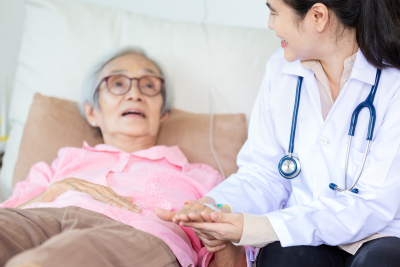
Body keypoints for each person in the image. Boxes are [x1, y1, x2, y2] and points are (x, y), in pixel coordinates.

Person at [157, 0, 400, 266]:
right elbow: (264, 173)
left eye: (274, 11)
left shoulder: (393, 83)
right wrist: (214, 208)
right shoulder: (281, 69)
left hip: (383, 235)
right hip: (306, 234)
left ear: (318, 16)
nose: (270, 24)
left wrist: (259, 227)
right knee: (280, 257)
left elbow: (373, 205)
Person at [0, 48, 245, 267]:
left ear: (163, 113)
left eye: (148, 85)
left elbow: (233, 244)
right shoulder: (58, 164)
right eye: (117, 84)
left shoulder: (202, 178)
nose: (134, 94)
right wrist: (51, 192)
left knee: (66, 253)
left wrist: (216, 231)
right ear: (92, 112)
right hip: (39, 217)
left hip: (136, 235)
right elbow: (10, 213)